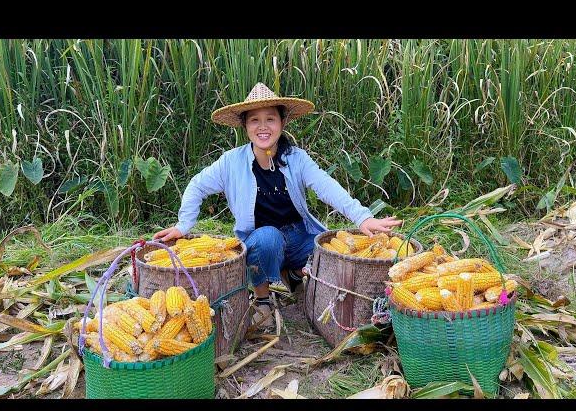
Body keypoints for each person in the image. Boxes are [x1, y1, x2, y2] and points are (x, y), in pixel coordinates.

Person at [153, 83, 401, 328]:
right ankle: (263, 301)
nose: (263, 127)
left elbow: (326, 186)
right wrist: (184, 224)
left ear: (282, 123)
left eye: (270, 119)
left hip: (298, 234)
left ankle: (293, 275)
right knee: (267, 240)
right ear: (245, 126)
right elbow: (196, 185)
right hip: (261, 240)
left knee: (329, 252)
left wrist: (363, 217)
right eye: (254, 120)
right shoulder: (231, 162)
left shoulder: (296, 158)